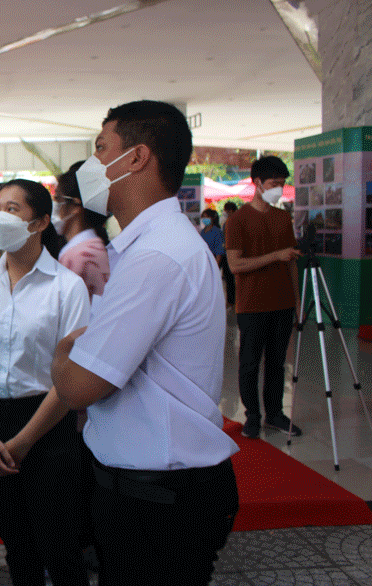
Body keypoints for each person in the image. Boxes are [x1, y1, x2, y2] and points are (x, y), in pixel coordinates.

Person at [47, 100, 240, 585]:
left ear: (136, 158)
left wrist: (64, 349)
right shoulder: (146, 246)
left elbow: (79, 389)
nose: (91, 166)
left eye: (100, 149)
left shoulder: (157, 255)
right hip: (147, 491)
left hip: (160, 499)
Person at [0, 179, 90, 586]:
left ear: (40, 222)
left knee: (60, 546)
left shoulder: (67, 287)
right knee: (17, 544)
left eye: (12, 209)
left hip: (48, 425)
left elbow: (72, 374)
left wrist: (24, 441)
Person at [225, 156, 302, 439]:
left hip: (282, 303)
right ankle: (252, 416)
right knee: (249, 363)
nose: (278, 189)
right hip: (252, 304)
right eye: (274, 184)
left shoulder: (283, 217)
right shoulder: (237, 220)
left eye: (282, 184)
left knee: (277, 362)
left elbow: (291, 262)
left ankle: (275, 414)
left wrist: (297, 301)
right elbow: (235, 265)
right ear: (257, 183)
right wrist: (275, 256)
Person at [53, 161, 111, 300]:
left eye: (58, 198)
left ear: (75, 205)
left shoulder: (77, 255)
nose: (55, 205)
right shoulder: (95, 246)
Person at [220, 201, 238, 307]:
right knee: (229, 279)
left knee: (233, 280)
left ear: (231, 211)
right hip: (227, 254)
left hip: (233, 254)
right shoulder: (227, 222)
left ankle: (233, 301)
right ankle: (231, 301)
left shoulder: (235, 221)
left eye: (226, 210)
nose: (224, 213)